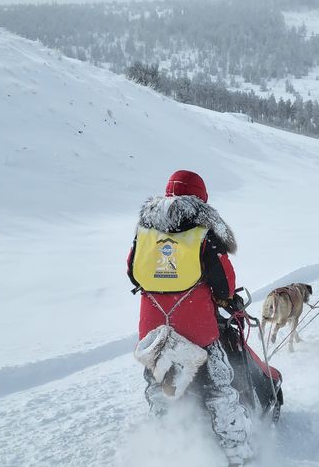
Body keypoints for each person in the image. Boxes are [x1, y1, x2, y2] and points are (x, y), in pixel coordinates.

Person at [127, 169, 253, 466]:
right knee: (219, 387)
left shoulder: (143, 232)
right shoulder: (203, 235)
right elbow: (225, 284)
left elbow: (132, 272)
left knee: (160, 385)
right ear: (202, 199)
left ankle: (164, 441)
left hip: (153, 328)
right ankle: (237, 451)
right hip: (196, 328)